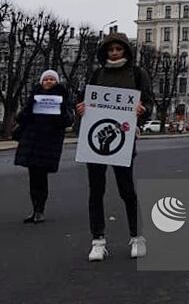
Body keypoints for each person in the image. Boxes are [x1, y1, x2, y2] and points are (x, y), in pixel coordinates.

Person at [76, 32, 153, 261]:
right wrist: (79, 108)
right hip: (95, 142)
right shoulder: (97, 74)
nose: (114, 53)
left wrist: (143, 111)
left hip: (123, 140)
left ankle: (136, 236)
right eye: (110, 50)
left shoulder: (138, 74)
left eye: (118, 49)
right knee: (96, 191)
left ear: (126, 51)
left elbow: (148, 102)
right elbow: (83, 100)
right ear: (105, 52)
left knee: (126, 189)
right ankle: (98, 239)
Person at [14, 70, 72, 223]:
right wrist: (31, 106)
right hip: (32, 142)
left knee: (41, 178)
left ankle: (40, 209)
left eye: (52, 79)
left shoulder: (62, 98)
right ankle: (35, 209)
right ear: (41, 82)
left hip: (48, 144)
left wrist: (58, 111)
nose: (48, 81)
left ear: (57, 82)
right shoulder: (34, 95)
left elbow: (68, 120)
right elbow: (20, 118)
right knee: (34, 178)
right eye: (46, 79)